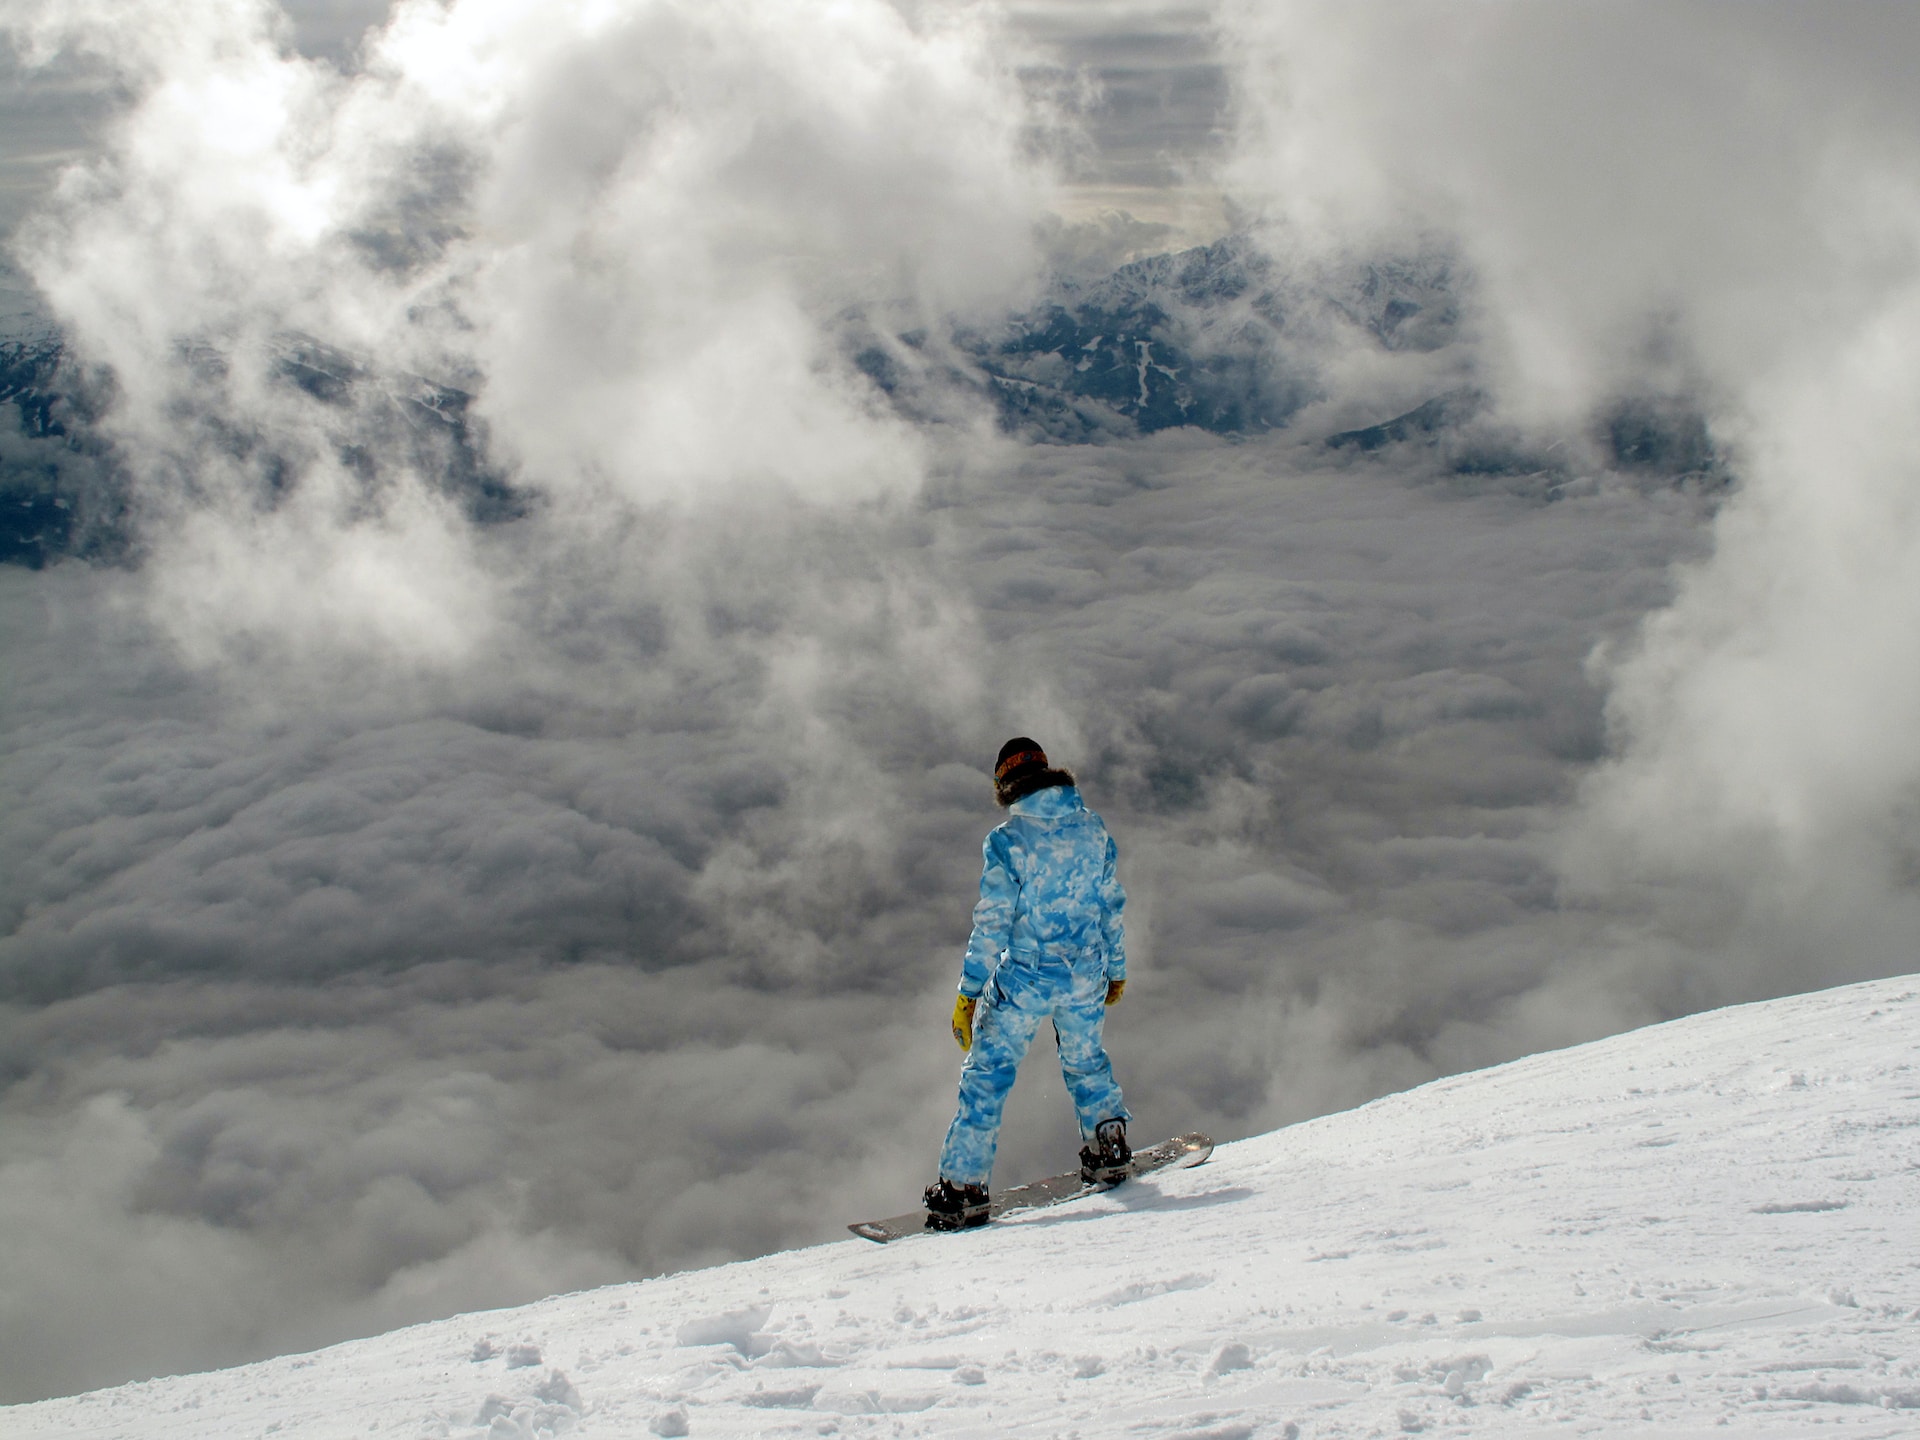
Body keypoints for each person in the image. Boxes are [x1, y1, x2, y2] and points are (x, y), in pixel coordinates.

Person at [923, 737, 1132, 1230]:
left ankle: (963, 1188)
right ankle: (1110, 1145)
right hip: (1086, 971)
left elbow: (992, 923)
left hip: (1026, 976)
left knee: (988, 1075)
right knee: (1086, 1061)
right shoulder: (1093, 828)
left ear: (1005, 785)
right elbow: (1110, 905)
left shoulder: (1007, 841)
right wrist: (1116, 969)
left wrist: (968, 992)